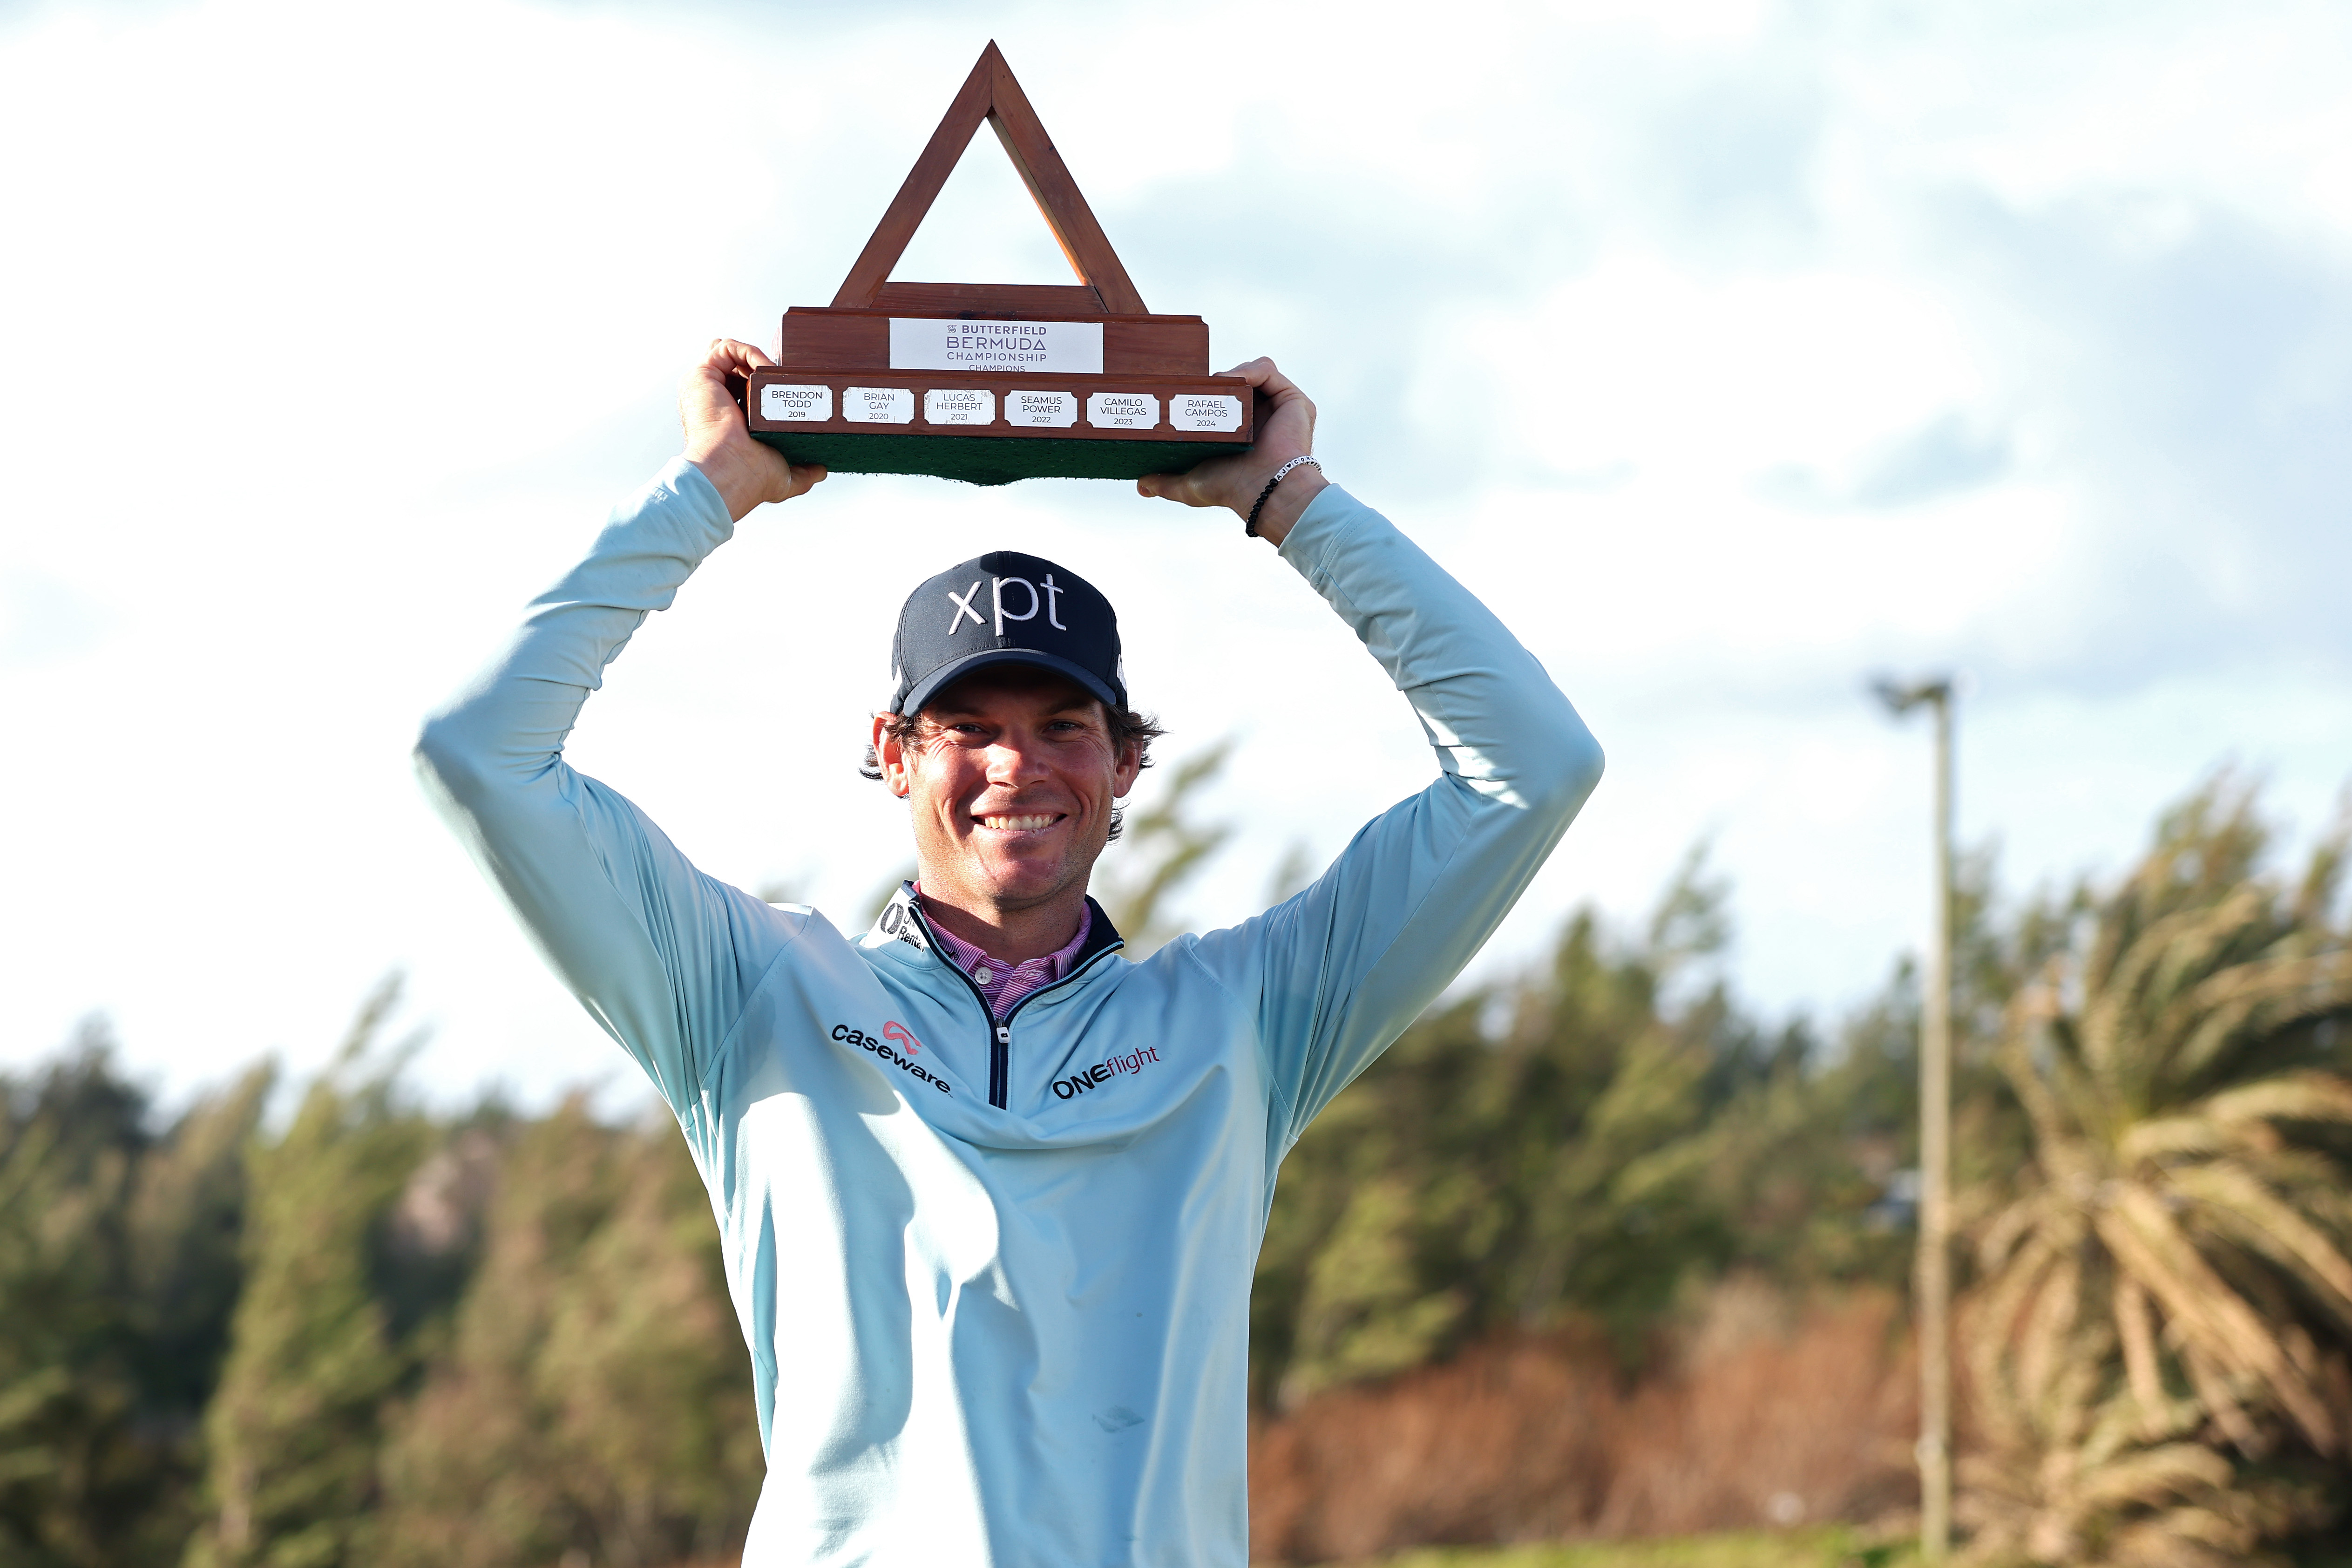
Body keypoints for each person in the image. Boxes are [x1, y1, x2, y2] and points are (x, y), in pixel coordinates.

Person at [416, 339, 1605, 1567]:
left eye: (1061, 726)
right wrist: (708, 489)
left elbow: (1533, 769)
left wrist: (1287, 502)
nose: (1014, 768)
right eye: (966, 728)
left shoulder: (1246, 1016)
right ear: (892, 753)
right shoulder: (749, 991)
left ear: (1126, 761)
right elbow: (476, 755)